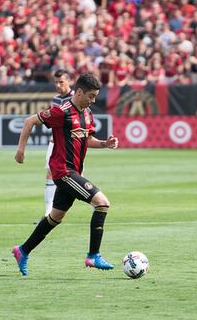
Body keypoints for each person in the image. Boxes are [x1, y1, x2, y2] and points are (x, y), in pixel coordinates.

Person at [11, 73, 119, 276]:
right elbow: (29, 121)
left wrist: (105, 144)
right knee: (102, 203)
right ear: (79, 92)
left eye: (95, 96)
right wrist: (20, 151)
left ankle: (22, 250)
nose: (93, 100)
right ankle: (93, 255)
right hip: (63, 172)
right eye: (91, 96)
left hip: (74, 172)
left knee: (55, 217)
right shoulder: (61, 112)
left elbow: (86, 140)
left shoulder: (87, 113)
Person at [44, 69, 74, 217]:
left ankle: (94, 200)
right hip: (54, 141)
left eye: (61, 82)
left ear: (69, 81)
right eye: (55, 82)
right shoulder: (55, 99)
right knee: (50, 173)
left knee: (72, 175)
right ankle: (48, 212)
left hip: (70, 143)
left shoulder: (76, 98)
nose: (58, 85)